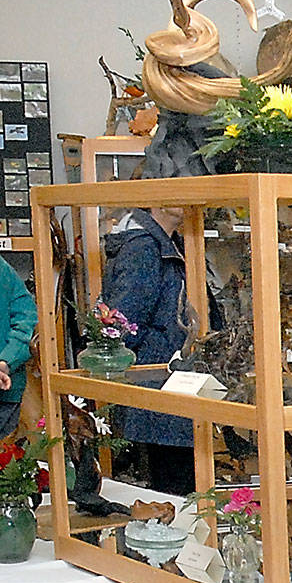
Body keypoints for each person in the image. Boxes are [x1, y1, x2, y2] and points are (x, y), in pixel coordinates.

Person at [101, 206, 207, 494]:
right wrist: (166, 350)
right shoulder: (145, 249)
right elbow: (123, 325)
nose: (191, 199)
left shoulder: (170, 243)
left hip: (173, 385)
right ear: (158, 200)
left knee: (181, 488)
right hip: (161, 388)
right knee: (174, 492)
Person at [0, 251, 38, 443]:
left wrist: (4, 364)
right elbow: (26, 319)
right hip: (5, 388)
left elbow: (26, 316)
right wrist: (6, 362)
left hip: (5, 394)